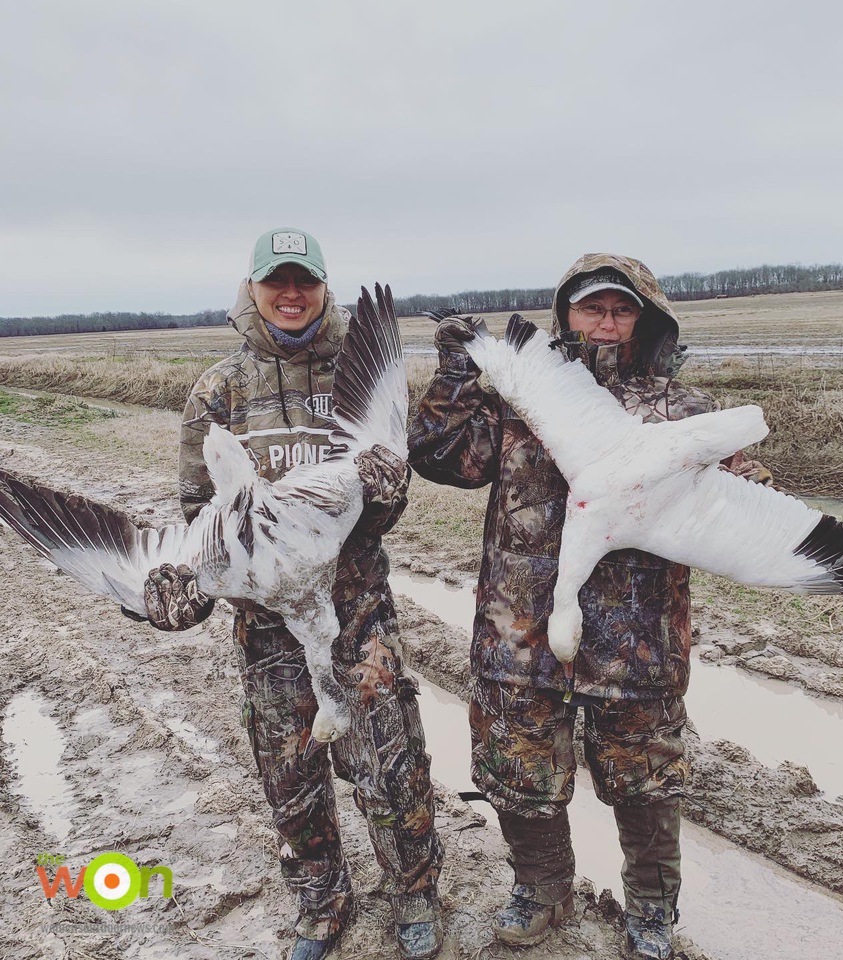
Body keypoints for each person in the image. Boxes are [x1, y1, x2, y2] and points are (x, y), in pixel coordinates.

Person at [407, 253, 771, 959]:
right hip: (522, 640)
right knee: (520, 777)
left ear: (647, 321)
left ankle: (652, 909)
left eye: (621, 309)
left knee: (647, 785)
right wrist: (456, 373)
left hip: (638, 645)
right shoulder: (516, 403)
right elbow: (442, 456)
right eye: (590, 308)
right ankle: (542, 889)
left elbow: (738, 483)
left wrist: (771, 506)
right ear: (565, 317)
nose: (605, 323)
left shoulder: (681, 411)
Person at [142, 228, 444, 960]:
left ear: (321, 286)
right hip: (268, 623)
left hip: (358, 610)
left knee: (388, 757)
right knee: (290, 768)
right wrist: (199, 581)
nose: (290, 293)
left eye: (302, 280)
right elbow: (196, 509)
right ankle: (320, 901)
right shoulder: (219, 391)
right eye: (275, 280)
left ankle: (414, 893)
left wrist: (388, 491)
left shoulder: (353, 368)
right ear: (252, 289)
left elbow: (385, 506)